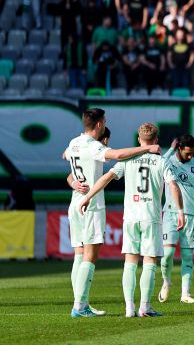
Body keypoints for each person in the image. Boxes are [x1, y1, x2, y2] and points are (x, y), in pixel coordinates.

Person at [79, 123, 185, 317]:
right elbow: (173, 186)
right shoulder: (162, 162)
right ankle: (145, 307)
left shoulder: (128, 160)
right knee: (150, 261)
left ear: (139, 140)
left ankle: (129, 308)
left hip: (130, 217)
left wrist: (87, 197)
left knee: (130, 261)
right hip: (151, 217)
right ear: (156, 140)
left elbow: (106, 178)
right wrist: (179, 211)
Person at [63, 108, 161, 318]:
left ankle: (81, 302)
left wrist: (73, 183)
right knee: (90, 255)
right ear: (99, 124)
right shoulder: (92, 146)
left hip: (76, 203)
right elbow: (117, 155)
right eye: (104, 121)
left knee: (79, 255)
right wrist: (146, 148)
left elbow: (67, 161)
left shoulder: (73, 143)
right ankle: (79, 306)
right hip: (91, 205)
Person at [159, 134, 194, 304]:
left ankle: (185, 294)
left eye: (193, 153)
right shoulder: (168, 161)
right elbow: (158, 162)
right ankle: (166, 282)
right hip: (170, 213)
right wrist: (170, 149)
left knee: (188, 257)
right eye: (187, 153)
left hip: (190, 216)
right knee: (167, 254)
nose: (190, 156)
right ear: (179, 149)